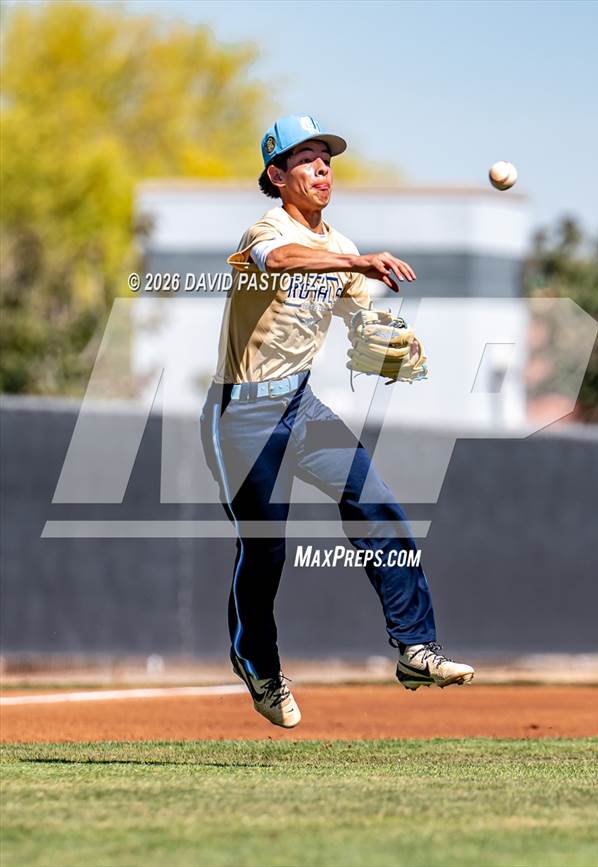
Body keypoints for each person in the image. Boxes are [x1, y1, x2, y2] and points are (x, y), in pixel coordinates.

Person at [200, 114, 473, 728]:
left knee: (376, 505)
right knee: (266, 548)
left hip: (301, 406)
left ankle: (414, 648)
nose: (322, 167)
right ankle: (258, 665)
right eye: (306, 158)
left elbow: (362, 323)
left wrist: (393, 343)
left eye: (327, 157)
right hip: (243, 412)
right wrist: (358, 263)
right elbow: (284, 261)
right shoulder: (266, 230)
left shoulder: (344, 247)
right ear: (276, 174)